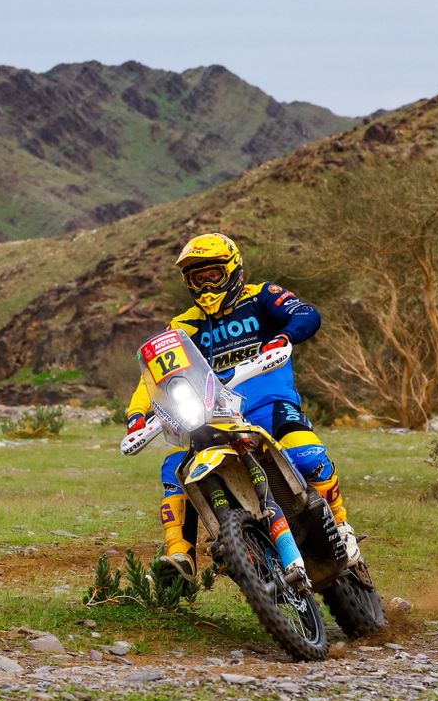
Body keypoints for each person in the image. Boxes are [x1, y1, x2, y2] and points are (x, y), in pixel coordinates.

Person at [123, 232, 358, 580]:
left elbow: (307, 314)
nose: (205, 285)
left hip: (269, 403)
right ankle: (180, 558)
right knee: (175, 470)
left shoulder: (261, 297)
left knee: (307, 455)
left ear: (231, 271)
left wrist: (285, 336)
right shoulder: (184, 325)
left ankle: (340, 526)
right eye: (196, 278)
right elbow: (154, 379)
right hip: (212, 416)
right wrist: (137, 416)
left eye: (212, 275)